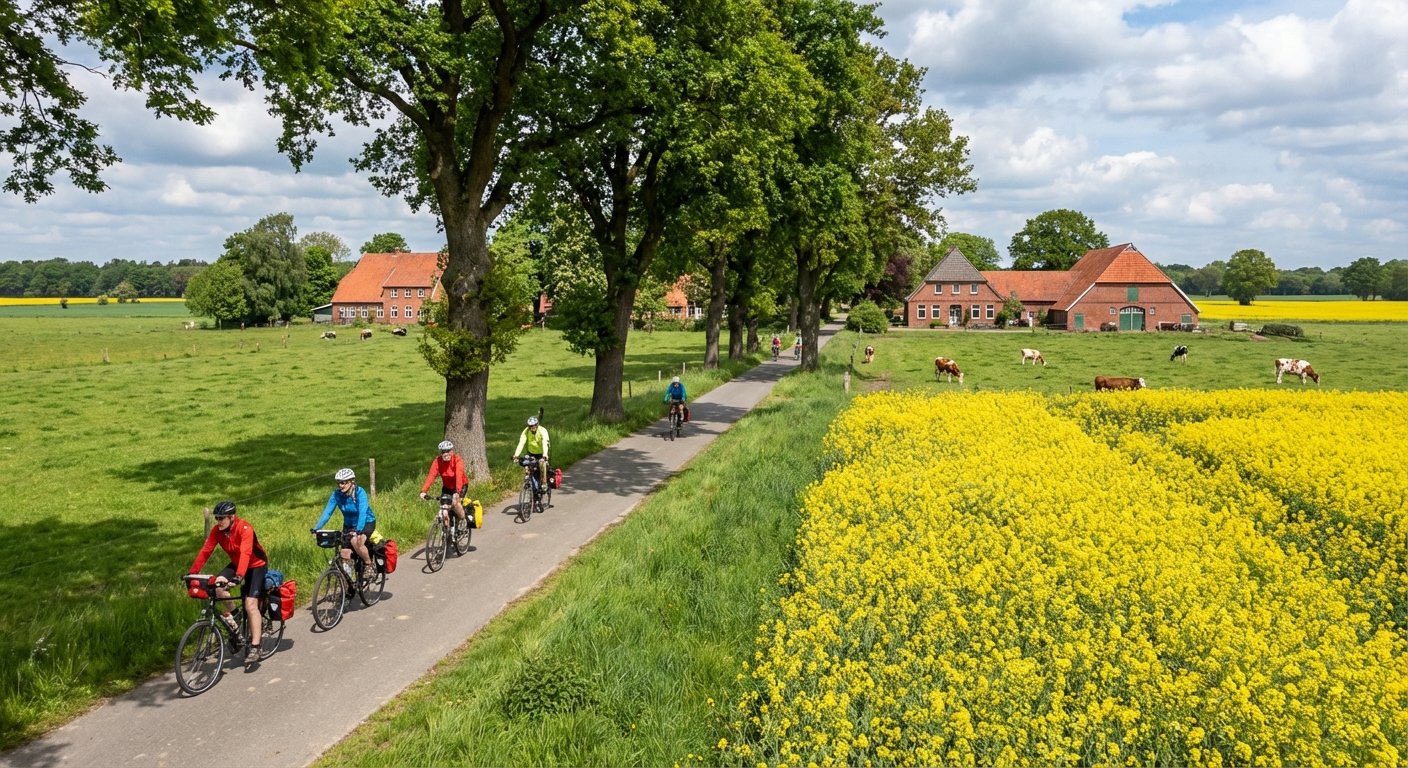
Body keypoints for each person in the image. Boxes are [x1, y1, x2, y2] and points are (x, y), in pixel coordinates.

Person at [187, 500, 268, 668]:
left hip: (256, 565)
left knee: (250, 604)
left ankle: (255, 645)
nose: (219, 521)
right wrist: (192, 572)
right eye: (217, 518)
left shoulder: (245, 528)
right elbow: (206, 551)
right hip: (236, 564)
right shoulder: (218, 531)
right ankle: (236, 615)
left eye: (222, 518)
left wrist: (238, 577)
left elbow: (246, 553)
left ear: (232, 517)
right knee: (218, 589)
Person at [312, 468, 377, 579]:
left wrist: (359, 530)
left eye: (343, 482)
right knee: (344, 553)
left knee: (357, 542)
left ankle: (369, 564)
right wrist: (316, 528)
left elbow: (362, 512)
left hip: (366, 522)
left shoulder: (360, 493)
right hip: (349, 524)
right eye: (338, 483)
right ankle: (348, 584)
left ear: (352, 481)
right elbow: (327, 512)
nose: (340, 486)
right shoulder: (337, 495)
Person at [420, 439, 471, 530]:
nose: (446, 454)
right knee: (444, 509)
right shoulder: (438, 461)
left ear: (452, 451)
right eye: (443, 452)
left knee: (455, 503)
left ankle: (463, 520)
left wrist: (457, 492)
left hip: (460, 486)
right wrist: (423, 491)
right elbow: (431, 476)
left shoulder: (457, 460)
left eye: (448, 451)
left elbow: (459, 476)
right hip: (447, 487)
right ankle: (447, 533)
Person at [511, 416, 551, 493]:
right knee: (526, 464)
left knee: (542, 464)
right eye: (530, 426)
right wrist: (516, 455)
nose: (532, 427)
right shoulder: (526, 431)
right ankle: (528, 481)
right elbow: (521, 443)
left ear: (537, 424)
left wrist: (545, 454)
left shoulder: (542, 431)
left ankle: (544, 483)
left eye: (534, 425)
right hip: (531, 452)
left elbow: (545, 443)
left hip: (542, 453)